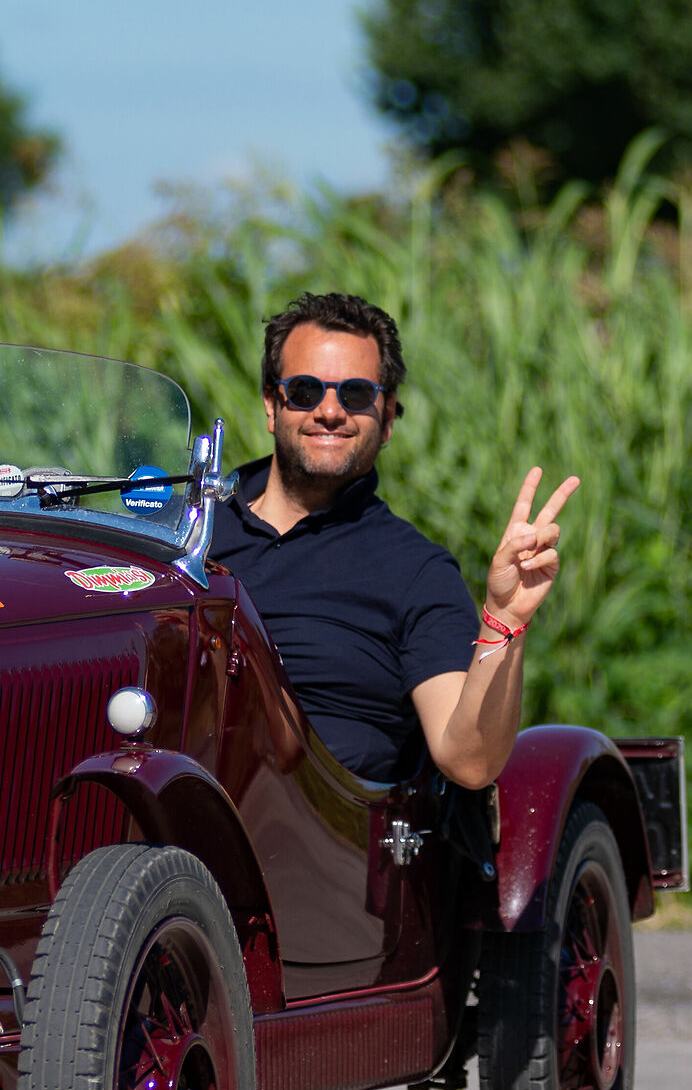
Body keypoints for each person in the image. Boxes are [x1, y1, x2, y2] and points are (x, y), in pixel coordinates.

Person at [208, 292, 576, 791]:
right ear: (272, 406)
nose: (331, 411)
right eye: (305, 390)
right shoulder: (190, 531)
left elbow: (468, 760)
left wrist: (506, 619)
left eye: (356, 394)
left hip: (314, 845)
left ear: (387, 420)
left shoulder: (415, 572)